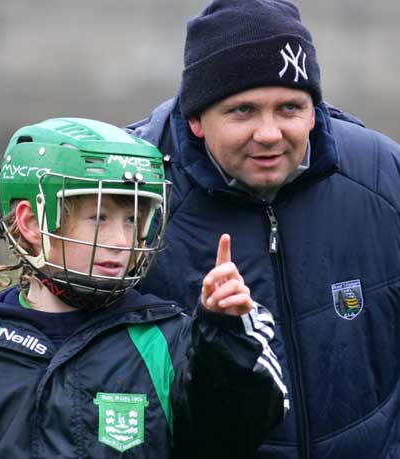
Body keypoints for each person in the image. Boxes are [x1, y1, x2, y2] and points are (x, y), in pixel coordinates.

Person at [126, 0, 400, 457]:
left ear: (315, 110)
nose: (270, 133)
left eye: (290, 107)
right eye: (243, 111)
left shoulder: (383, 176)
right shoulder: (135, 199)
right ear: (195, 118)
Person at [0, 117, 285, 459]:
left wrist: (226, 338)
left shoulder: (169, 341)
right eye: (99, 217)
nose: (121, 241)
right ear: (32, 223)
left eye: (133, 220)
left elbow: (235, 433)